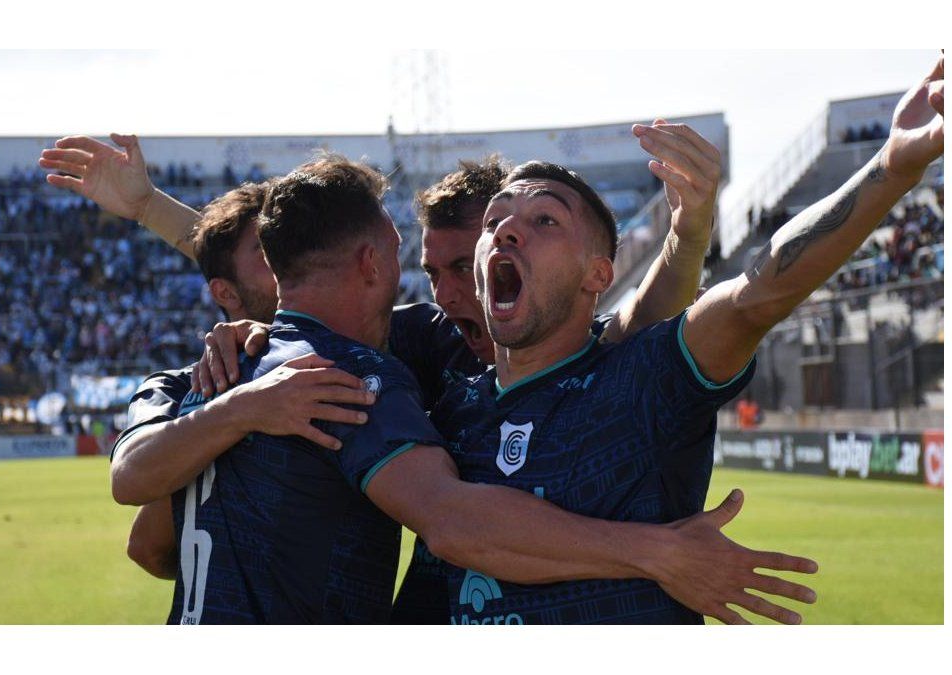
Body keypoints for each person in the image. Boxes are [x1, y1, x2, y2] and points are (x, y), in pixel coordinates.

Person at [103, 154, 817, 624]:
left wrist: (689, 234)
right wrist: (159, 220)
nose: (446, 293)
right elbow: (298, 269)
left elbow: (635, 324)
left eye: (462, 263)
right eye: (433, 271)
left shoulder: (544, 348)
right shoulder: (407, 348)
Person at [427, 53, 943, 624]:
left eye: (546, 220)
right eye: (495, 220)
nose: (508, 230)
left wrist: (893, 166)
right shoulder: (451, 408)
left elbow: (757, 294)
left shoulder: (643, 378)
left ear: (599, 275)